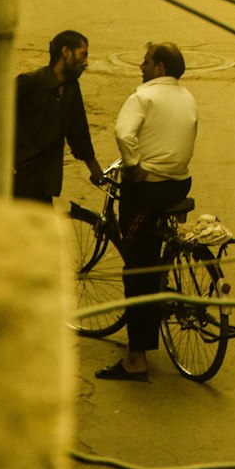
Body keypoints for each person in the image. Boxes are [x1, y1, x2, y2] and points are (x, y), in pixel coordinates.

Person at [95, 40, 198, 383]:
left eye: (146, 61)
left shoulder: (143, 96)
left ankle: (136, 359)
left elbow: (124, 133)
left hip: (149, 189)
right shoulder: (186, 97)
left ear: (160, 67)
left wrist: (134, 167)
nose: (141, 66)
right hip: (179, 183)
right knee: (150, 253)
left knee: (136, 271)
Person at [13, 30, 103, 202]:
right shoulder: (31, 82)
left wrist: (96, 171)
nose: (86, 63)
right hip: (21, 178)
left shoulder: (71, 88)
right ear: (66, 52)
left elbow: (79, 133)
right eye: (83, 55)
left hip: (45, 182)